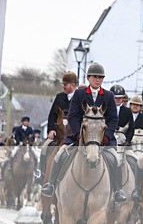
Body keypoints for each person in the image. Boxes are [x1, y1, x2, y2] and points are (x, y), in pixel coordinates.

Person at [41, 62, 128, 203]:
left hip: (103, 139)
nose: (97, 79)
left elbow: (113, 119)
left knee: (115, 160)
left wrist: (107, 136)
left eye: (100, 77)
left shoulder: (109, 95)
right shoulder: (79, 94)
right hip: (79, 137)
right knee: (59, 155)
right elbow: (73, 116)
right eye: (94, 76)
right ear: (88, 78)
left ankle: (118, 190)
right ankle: (51, 185)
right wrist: (77, 133)